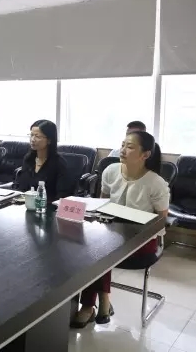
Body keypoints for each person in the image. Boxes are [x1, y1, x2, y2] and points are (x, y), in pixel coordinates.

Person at [71, 131, 169, 329]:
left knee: (99, 252)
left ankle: (90, 305)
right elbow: (101, 204)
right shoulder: (111, 171)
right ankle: (103, 301)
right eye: (122, 145)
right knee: (93, 248)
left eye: (130, 147)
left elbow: (161, 221)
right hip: (110, 234)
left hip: (142, 240)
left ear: (145, 154)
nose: (123, 150)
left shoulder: (156, 183)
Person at [17, 120, 71, 204]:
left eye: (37, 136)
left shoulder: (59, 163)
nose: (32, 139)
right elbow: (23, 188)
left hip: (48, 207)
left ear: (49, 140)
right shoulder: (28, 159)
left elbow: (62, 196)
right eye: (31, 135)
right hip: (27, 205)